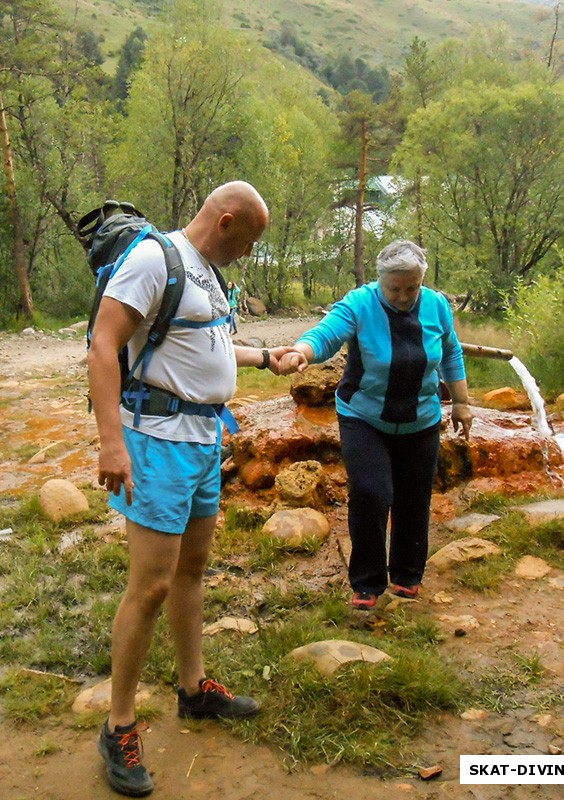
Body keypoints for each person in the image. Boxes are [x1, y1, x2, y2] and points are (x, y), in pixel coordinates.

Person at [88, 181, 294, 797]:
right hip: (155, 442)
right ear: (226, 220)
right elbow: (103, 343)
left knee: (191, 571)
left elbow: (202, 340)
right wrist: (110, 444)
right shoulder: (154, 258)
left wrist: (263, 357)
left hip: (203, 441)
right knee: (149, 584)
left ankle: (192, 688)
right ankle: (118, 722)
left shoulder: (205, 272)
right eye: (251, 241)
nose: (251, 254)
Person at [279, 239, 472, 611]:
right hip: (364, 417)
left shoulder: (436, 306)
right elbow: (327, 334)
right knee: (371, 492)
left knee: (413, 498)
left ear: (421, 281)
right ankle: (366, 581)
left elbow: (450, 351)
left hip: (422, 418)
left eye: (411, 288)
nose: (403, 296)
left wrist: (462, 402)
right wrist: (302, 351)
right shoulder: (360, 303)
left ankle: (407, 575)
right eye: (394, 289)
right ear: (380, 281)